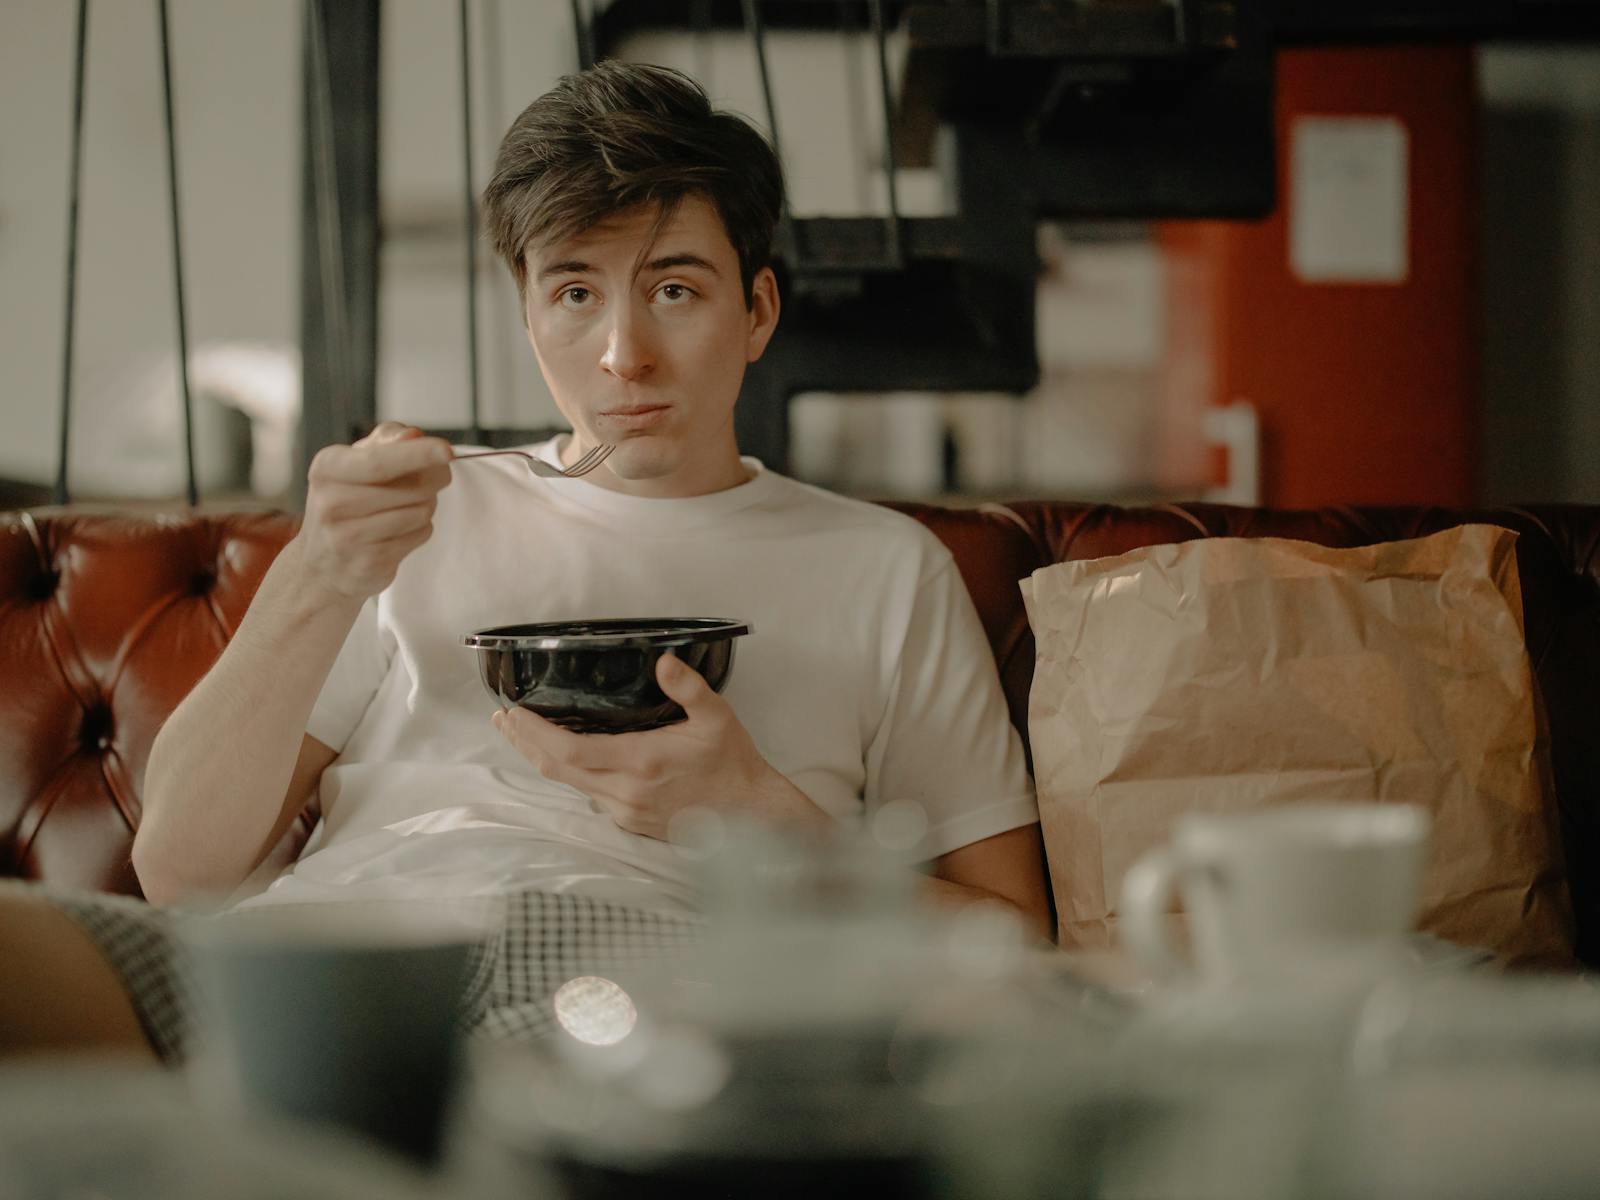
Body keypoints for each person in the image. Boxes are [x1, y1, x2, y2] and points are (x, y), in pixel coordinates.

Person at [0, 61, 1049, 1060]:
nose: (622, 354)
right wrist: (318, 572)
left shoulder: (882, 568)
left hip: (634, 976)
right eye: (575, 293)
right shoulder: (410, 517)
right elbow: (180, 870)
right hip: (334, 953)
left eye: (674, 290)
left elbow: (1014, 947)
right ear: (530, 312)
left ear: (758, 309)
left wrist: (760, 821)